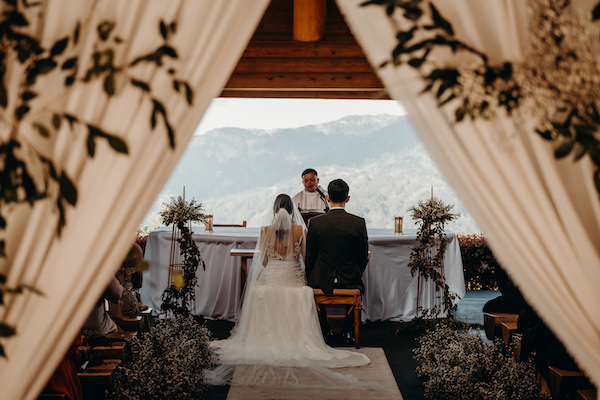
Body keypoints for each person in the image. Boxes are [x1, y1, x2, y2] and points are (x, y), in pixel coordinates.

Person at [209, 194, 370, 388]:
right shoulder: (301, 229)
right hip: (292, 278)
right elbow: (304, 258)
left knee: (259, 290)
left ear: (275, 210)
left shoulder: (265, 230)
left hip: (271, 277)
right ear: (293, 210)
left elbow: (265, 261)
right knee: (302, 292)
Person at [305, 179, 369, 345]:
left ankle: (324, 328)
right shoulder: (358, 223)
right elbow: (362, 256)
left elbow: (310, 257)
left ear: (327, 197)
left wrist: (309, 278)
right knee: (357, 288)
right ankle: (347, 329)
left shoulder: (316, 223)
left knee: (312, 289)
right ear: (347, 198)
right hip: (350, 278)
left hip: (321, 278)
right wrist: (355, 272)